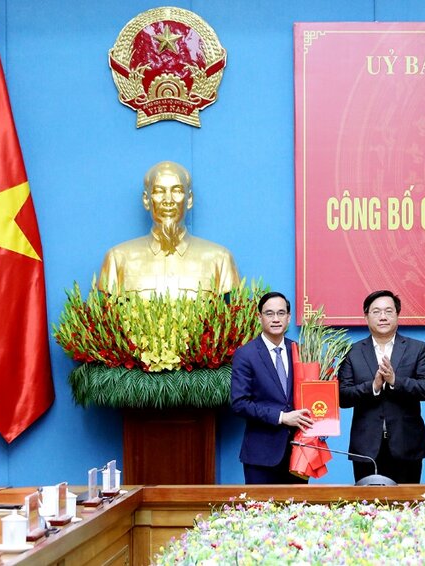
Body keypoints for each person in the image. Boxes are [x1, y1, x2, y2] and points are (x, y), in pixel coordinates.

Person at [99, 161, 238, 297]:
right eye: (159, 191)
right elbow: (103, 317)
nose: (168, 200)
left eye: (177, 191)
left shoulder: (220, 260)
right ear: (146, 200)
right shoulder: (118, 259)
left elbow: (233, 315)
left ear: (189, 199)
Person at [338, 290, 425, 484]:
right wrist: (373, 386)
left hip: (407, 444)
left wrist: (394, 381)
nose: (383, 317)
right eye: (376, 311)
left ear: (397, 315)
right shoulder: (351, 351)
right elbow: (342, 396)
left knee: (408, 510)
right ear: (366, 317)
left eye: (388, 311)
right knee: (367, 509)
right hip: (366, 447)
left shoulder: (418, 348)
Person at [229, 292, 313, 484]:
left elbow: (311, 394)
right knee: (259, 513)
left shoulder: (300, 351)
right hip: (261, 455)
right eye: (269, 313)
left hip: (298, 453)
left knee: (297, 513)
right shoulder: (246, 354)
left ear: (289, 317)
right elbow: (240, 404)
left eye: (281, 313)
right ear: (259, 317)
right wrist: (282, 417)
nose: (276, 319)